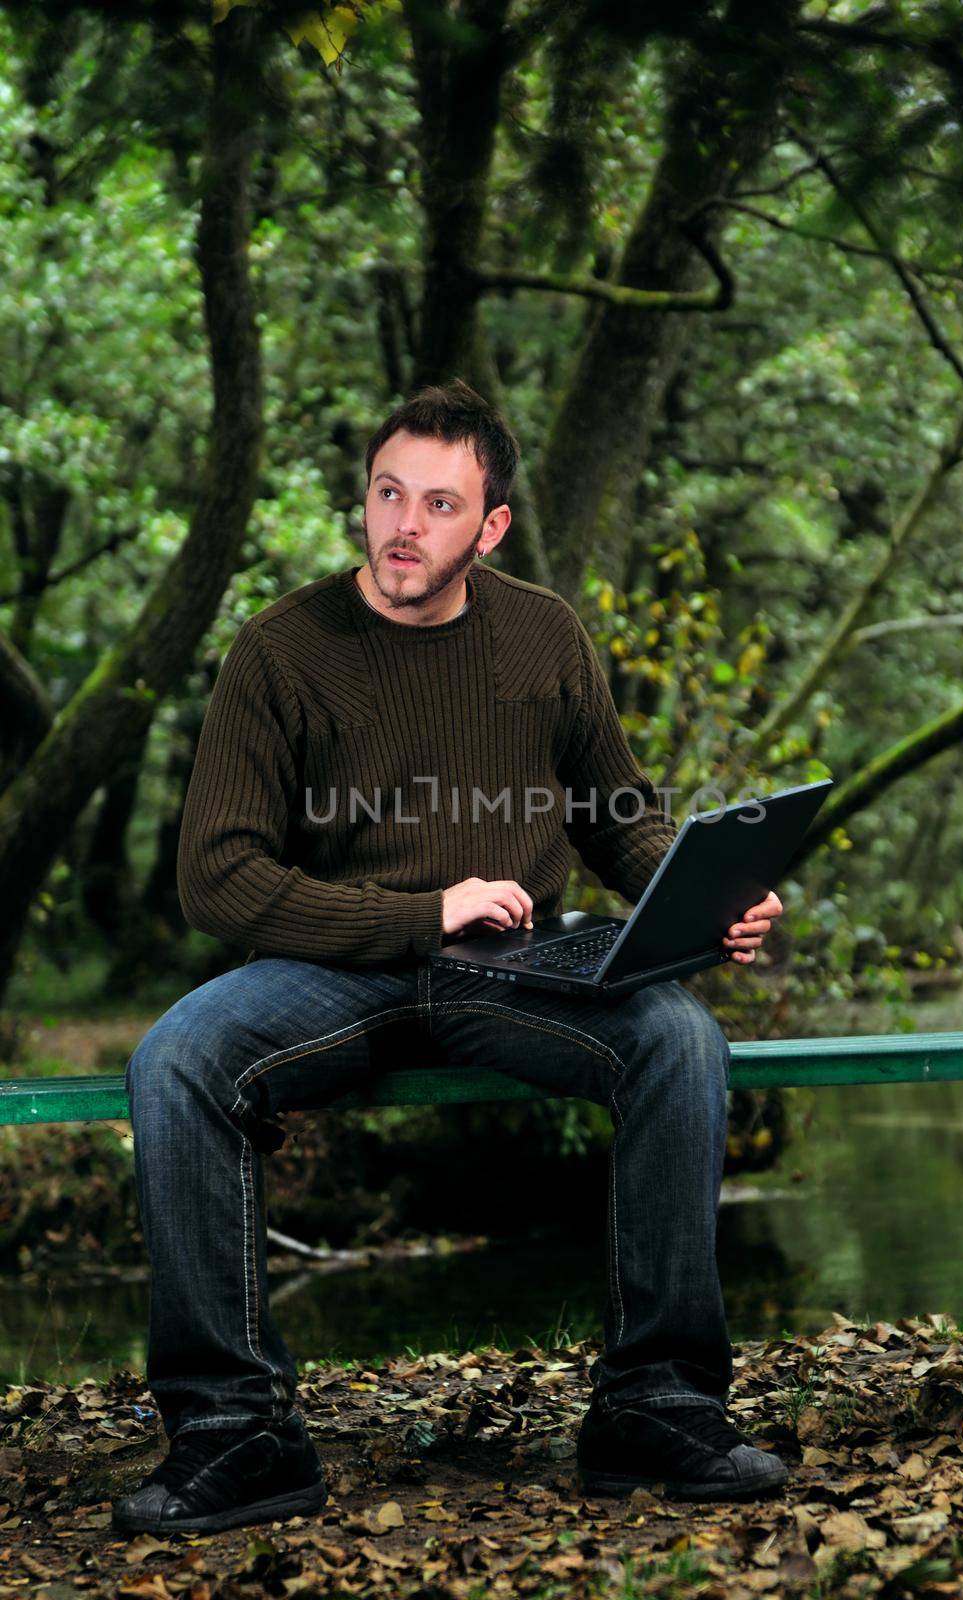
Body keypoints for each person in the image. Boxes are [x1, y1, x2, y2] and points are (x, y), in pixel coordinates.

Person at [112, 380, 787, 1536]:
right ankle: (236, 1429)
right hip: (334, 966)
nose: (402, 525)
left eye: (437, 502)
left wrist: (704, 896)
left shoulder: (542, 635)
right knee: (176, 1058)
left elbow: (616, 816)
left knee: (677, 1036)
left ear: (492, 526)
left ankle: (654, 1402)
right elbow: (217, 879)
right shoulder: (279, 652)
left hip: (516, 970)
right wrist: (424, 911)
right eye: (386, 493)